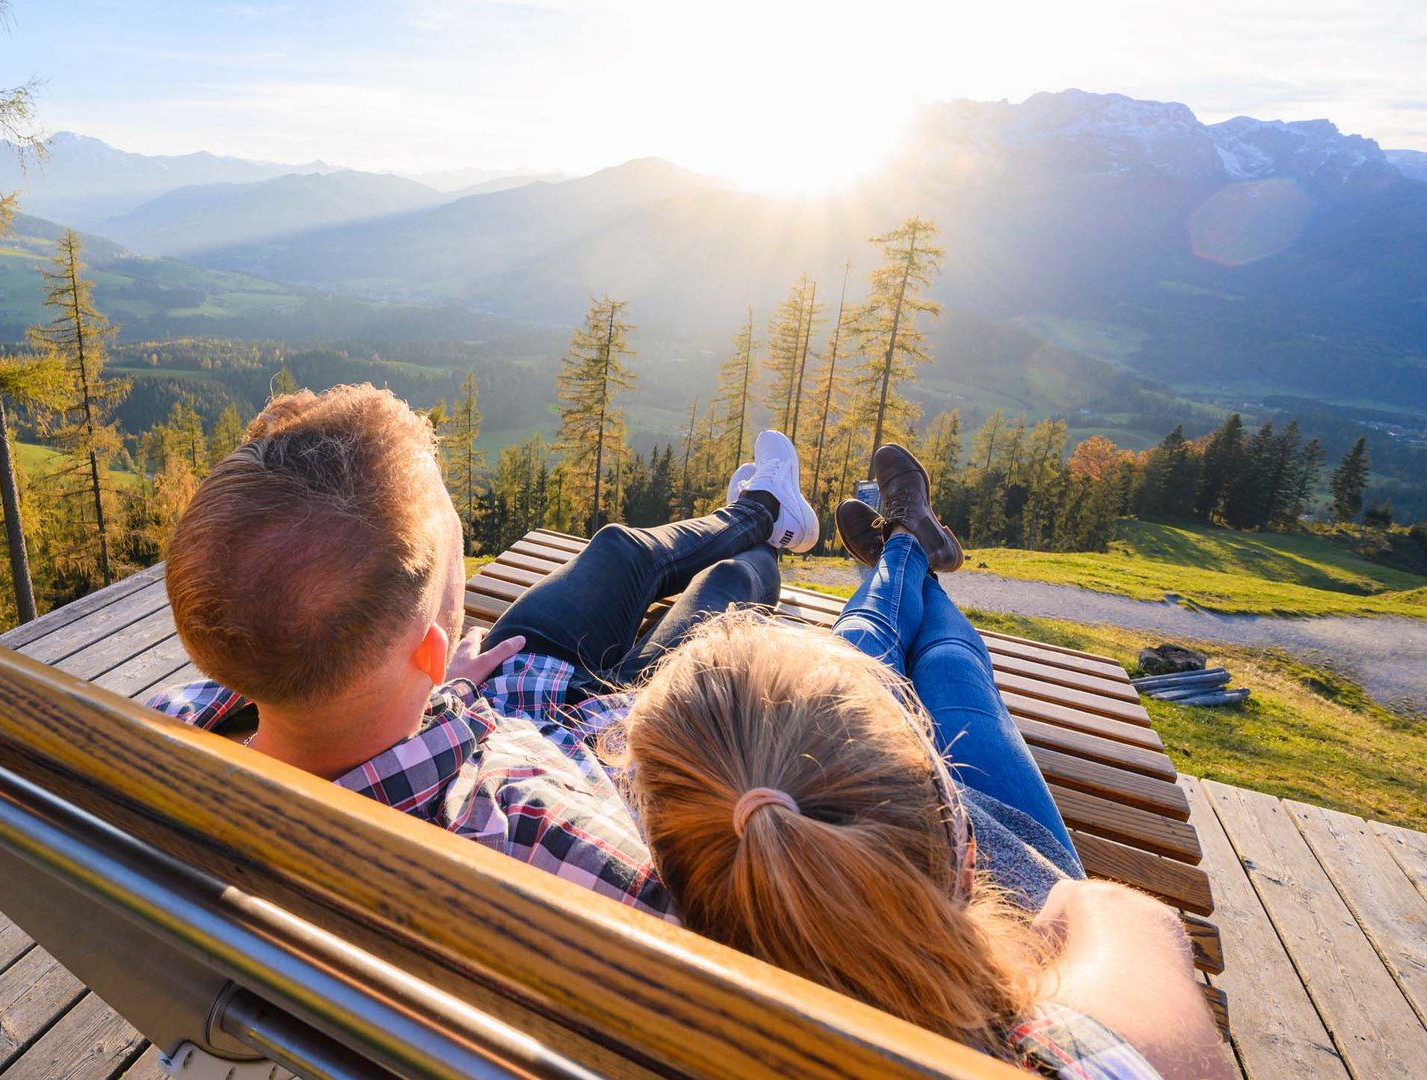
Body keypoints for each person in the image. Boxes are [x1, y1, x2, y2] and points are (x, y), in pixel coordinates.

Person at [617, 443, 1235, 1079]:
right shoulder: (1065, 1050)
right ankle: (913, 551)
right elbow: (1130, 915)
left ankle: (908, 551)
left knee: (877, 646)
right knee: (941, 660)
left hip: (825, 816)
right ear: (966, 861)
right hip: (998, 855)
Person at [142, 383, 816, 919]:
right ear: (430, 645)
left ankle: (760, 508)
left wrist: (439, 689)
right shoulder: (539, 838)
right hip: (632, 737)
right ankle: (765, 537)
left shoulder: (174, 726)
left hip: (490, 690)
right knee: (729, 584)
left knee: (618, 548)